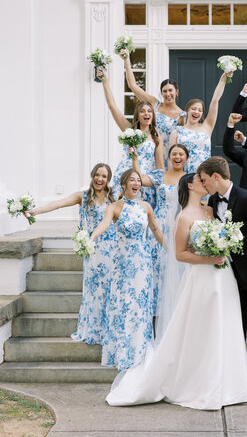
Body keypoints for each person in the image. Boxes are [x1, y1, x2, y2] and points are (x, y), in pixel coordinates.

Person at [105, 173, 247, 410]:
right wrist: (208, 258)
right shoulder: (183, 217)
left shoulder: (211, 210)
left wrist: (225, 247)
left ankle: (231, 385)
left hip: (223, 276)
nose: (205, 184)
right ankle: (200, 385)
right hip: (201, 277)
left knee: (225, 325)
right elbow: (180, 254)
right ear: (190, 186)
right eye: (201, 181)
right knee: (201, 329)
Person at [198, 156, 247, 407]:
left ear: (216, 177)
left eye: (204, 180)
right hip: (229, 278)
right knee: (235, 330)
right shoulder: (211, 201)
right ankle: (236, 382)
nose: (203, 184)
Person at [25, 163, 116, 345]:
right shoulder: (82, 196)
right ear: (92, 176)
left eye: (104, 176)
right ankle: (92, 330)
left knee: (109, 290)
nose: (100, 179)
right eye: (97, 175)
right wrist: (37, 211)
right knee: (92, 292)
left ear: (108, 179)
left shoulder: (114, 197)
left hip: (111, 250)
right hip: (91, 250)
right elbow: (58, 203)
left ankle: (109, 331)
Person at [91, 169, 164, 371]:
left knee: (140, 306)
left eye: (139, 180)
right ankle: (122, 350)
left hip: (142, 263)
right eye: (132, 180)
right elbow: (104, 225)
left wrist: (172, 250)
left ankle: (140, 349)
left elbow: (156, 231)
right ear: (123, 184)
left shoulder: (146, 206)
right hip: (122, 264)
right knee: (123, 305)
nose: (137, 183)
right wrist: (90, 238)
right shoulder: (114, 207)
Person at [131, 143, 189, 320]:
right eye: (174, 154)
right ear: (169, 157)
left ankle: (173, 310)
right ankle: (153, 312)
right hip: (158, 226)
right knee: (156, 267)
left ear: (186, 158)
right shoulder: (160, 175)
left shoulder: (191, 178)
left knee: (175, 268)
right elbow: (139, 179)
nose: (177, 157)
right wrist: (135, 159)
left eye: (181, 154)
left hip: (179, 226)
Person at [97, 67, 163, 203]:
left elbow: (160, 168)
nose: (147, 114)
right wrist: (105, 81)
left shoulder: (157, 138)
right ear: (137, 116)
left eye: (149, 111)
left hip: (142, 181)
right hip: (124, 175)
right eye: (143, 111)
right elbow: (112, 106)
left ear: (153, 115)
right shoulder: (129, 130)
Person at [120, 48, 185, 169]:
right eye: (164, 91)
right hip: (147, 154)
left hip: (166, 158)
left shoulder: (182, 116)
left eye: (170, 90)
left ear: (176, 91)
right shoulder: (154, 104)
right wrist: (127, 60)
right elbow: (133, 86)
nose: (167, 94)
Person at [169, 72, 233, 173]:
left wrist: (223, 79)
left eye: (199, 110)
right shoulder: (176, 133)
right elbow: (171, 160)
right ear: (187, 111)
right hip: (185, 174)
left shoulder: (207, 126)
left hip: (206, 174)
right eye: (193, 109)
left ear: (202, 113)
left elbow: (215, 101)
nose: (196, 112)